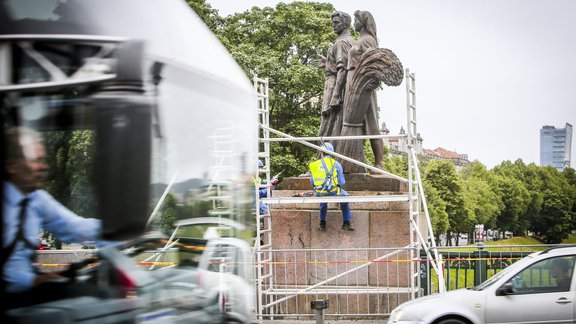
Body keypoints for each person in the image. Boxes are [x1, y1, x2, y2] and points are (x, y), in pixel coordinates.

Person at [2, 127, 110, 310]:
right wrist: (33, 279)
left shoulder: (36, 199)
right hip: (12, 294)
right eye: (36, 161)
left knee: (100, 295)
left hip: (23, 291)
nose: (44, 167)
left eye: (43, 160)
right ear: (12, 166)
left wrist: (117, 230)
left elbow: (74, 228)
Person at [338, 10, 384, 173]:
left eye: (356, 20)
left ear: (364, 22)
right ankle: (353, 159)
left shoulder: (368, 40)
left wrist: (368, 84)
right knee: (353, 122)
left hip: (363, 85)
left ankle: (379, 163)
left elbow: (375, 63)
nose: (354, 23)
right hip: (352, 81)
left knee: (371, 123)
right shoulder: (360, 40)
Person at [311, 11, 354, 141]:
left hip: (334, 86)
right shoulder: (351, 40)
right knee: (335, 123)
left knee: (327, 124)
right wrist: (328, 63)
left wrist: (334, 96)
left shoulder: (341, 42)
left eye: (336, 23)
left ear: (345, 24)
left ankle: (324, 155)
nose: (333, 25)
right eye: (332, 23)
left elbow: (342, 69)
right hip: (340, 86)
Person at [308, 143, 353, 231]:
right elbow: (341, 182)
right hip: (333, 191)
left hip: (319, 192)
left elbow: (312, 182)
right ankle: (346, 223)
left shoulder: (314, 165)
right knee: (345, 197)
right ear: (332, 153)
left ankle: (322, 223)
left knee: (322, 200)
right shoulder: (336, 164)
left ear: (321, 153)